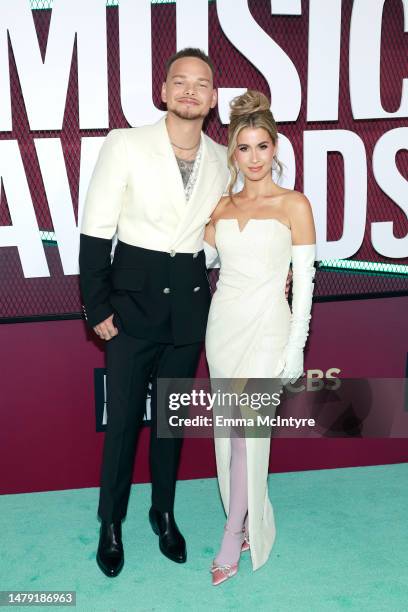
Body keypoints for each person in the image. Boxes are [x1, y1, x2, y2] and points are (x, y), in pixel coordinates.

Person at [79, 48, 230, 577]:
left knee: (171, 422)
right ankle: (111, 523)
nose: (190, 91)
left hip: (189, 307)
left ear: (213, 99)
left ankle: (162, 513)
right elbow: (97, 227)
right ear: (163, 91)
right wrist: (96, 304)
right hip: (129, 306)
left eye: (201, 84)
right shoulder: (125, 143)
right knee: (122, 422)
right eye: (180, 82)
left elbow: (220, 231)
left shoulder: (223, 158)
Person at [204, 90, 316, 585]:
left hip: (269, 328)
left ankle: (233, 533)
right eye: (244, 148)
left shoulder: (295, 204)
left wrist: (296, 344)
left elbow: (306, 282)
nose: (253, 158)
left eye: (262, 147)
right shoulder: (221, 205)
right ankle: (245, 517)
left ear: (276, 148)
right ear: (233, 152)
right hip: (223, 326)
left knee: (250, 433)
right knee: (230, 435)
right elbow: (200, 259)